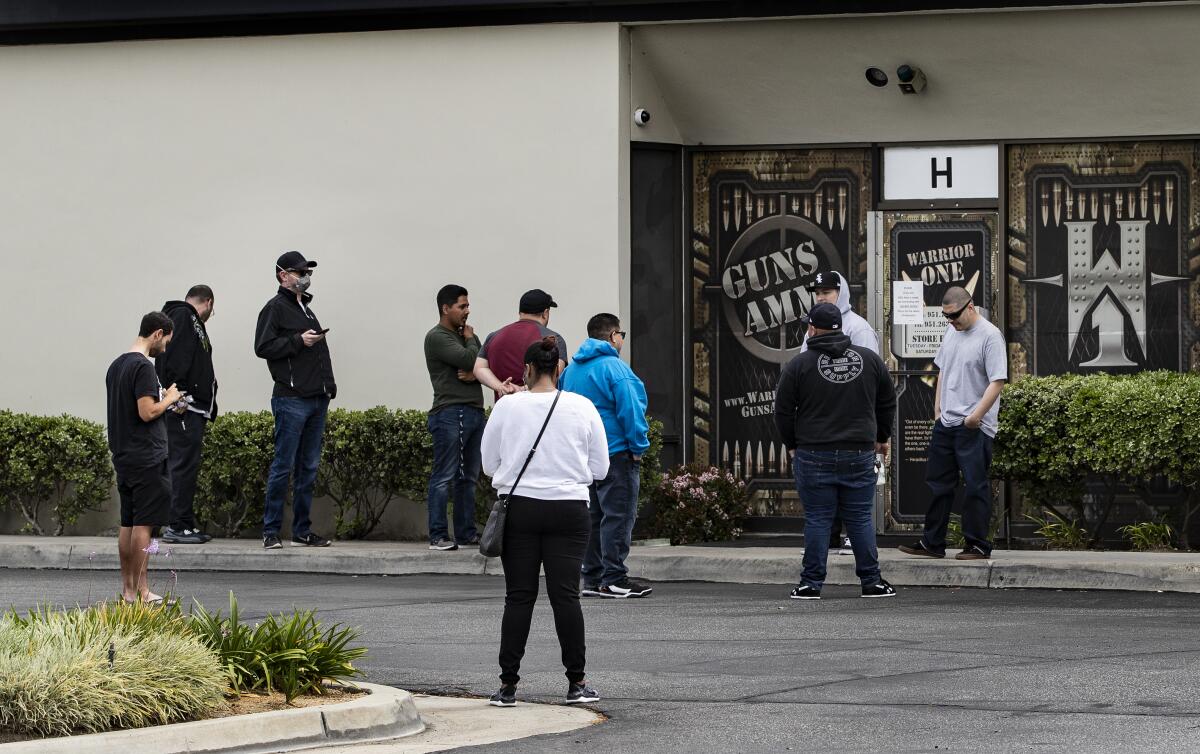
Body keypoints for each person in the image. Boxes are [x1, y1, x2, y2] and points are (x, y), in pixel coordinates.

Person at [481, 337, 609, 708]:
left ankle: (507, 687)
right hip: (569, 509)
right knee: (566, 596)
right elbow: (600, 467)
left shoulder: (507, 407)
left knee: (518, 597)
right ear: (559, 369)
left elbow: (489, 464)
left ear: (526, 369)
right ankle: (577, 683)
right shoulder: (581, 407)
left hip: (519, 507)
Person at [774, 303, 898, 600]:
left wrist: (791, 444)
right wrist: (882, 437)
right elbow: (887, 401)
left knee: (818, 518)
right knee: (859, 518)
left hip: (813, 452)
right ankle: (872, 581)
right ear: (840, 328)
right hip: (858, 452)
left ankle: (810, 584)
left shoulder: (799, 365)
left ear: (813, 329)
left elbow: (782, 411)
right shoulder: (869, 359)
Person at [899, 286, 1007, 561]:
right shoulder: (952, 331)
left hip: (973, 425)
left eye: (955, 315)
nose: (951, 321)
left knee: (974, 485)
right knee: (938, 484)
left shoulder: (990, 336)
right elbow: (943, 370)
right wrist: (937, 410)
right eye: (947, 317)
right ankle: (932, 543)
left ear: (970, 307)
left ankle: (977, 545)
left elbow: (998, 382)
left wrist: (976, 417)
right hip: (946, 422)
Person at [560, 313, 652, 599]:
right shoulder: (615, 368)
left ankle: (593, 577)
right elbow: (631, 410)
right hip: (616, 452)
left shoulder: (571, 370)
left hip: (583, 456)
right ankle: (614, 577)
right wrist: (638, 448)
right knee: (619, 516)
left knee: (592, 516)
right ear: (613, 336)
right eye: (621, 334)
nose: (622, 339)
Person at [254, 250, 336, 549]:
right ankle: (271, 531)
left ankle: (302, 530)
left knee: (309, 467)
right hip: (291, 399)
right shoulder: (275, 308)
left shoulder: (306, 309)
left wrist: (329, 386)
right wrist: (297, 340)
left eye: (307, 272)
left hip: (316, 397)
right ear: (282, 275)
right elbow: (262, 347)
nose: (305, 277)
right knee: (284, 465)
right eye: (300, 272)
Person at [802, 270, 880, 557]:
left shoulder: (858, 328)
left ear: (842, 292)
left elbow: (872, 377)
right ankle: (830, 539)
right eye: (818, 293)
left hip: (852, 422)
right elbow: (802, 368)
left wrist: (872, 425)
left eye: (827, 292)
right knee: (823, 488)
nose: (822, 297)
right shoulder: (812, 327)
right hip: (820, 422)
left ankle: (850, 539)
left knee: (854, 492)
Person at [106, 311, 182, 604]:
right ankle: (142, 591)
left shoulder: (116, 366)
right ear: (157, 334)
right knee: (146, 526)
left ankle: (128, 591)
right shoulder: (143, 367)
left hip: (124, 455)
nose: (164, 348)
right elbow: (146, 411)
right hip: (147, 457)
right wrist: (169, 400)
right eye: (166, 341)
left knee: (129, 522)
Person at [423, 284, 484, 551]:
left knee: (467, 477)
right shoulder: (438, 337)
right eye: (462, 306)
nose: (467, 311)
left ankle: (466, 533)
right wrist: (471, 347)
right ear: (445, 308)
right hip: (451, 411)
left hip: (472, 411)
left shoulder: (464, 336)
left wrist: (474, 370)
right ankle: (438, 535)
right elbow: (471, 358)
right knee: (444, 475)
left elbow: (482, 361)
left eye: (468, 305)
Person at [155, 285, 218, 545]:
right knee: (181, 465)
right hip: (185, 406)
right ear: (209, 302)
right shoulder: (184, 316)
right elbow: (176, 356)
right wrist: (178, 395)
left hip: (192, 406)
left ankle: (183, 522)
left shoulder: (186, 319)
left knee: (185, 465)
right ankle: (177, 525)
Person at [473, 289, 568, 399]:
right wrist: (521, 390)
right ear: (545, 313)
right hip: (539, 410)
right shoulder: (553, 339)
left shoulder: (494, 336)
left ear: (520, 312)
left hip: (504, 410)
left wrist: (501, 387)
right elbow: (552, 376)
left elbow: (479, 368)